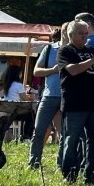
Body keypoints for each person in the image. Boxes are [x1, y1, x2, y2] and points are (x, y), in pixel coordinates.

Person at [58, 20, 94, 184]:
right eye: (81, 33)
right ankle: (69, 176)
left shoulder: (90, 50)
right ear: (71, 35)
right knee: (71, 140)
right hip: (74, 104)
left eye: (86, 33)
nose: (84, 36)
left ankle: (92, 176)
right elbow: (73, 70)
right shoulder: (65, 51)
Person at [28, 25, 67, 169]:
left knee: (64, 132)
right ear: (62, 32)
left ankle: (61, 164)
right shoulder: (49, 49)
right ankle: (33, 162)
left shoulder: (74, 50)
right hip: (49, 95)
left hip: (66, 97)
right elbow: (36, 71)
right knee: (39, 129)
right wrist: (53, 70)